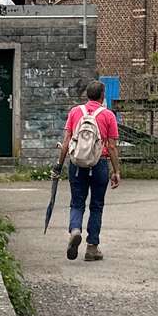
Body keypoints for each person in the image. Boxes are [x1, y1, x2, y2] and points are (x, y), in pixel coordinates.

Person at [55, 80, 120, 262]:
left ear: (87, 95)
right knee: (96, 206)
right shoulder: (108, 115)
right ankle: (92, 248)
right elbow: (112, 146)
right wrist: (116, 171)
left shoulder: (75, 112)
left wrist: (59, 165)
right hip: (99, 164)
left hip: (77, 165)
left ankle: (75, 230)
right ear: (102, 96)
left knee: (77, 203)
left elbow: (67, 141)